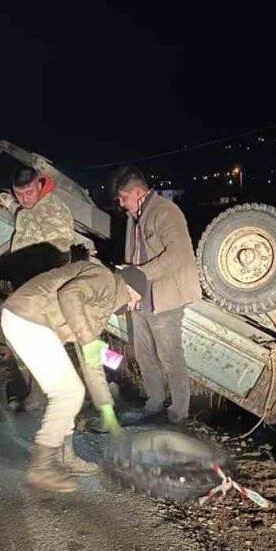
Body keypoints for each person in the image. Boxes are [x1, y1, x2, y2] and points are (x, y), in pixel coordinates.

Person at [0, 260, 147, 492]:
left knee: (70, 390)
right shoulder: (105, 279)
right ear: (131, 289)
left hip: (27, 320)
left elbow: (91, 358)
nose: (134, 307)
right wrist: (88, 341)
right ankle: (41, 466)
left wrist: (105, 407)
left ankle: (64, 456)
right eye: (138, 300)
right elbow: (70, 295)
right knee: (69, 392)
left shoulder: (101, 307)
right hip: (29, 318)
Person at [114, 166, 201, 424]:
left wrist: (138, 274)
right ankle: (154, 403)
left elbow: (179, 255)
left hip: (165, 299)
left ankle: (178, 412)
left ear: (138, 193)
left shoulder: (166, 212)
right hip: (141, 299)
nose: (121, 204)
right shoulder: (134, 217)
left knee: (170, 356)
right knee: (144, 355)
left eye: (123, 197)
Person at [9, 166, 75, 255]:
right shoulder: (35, 205)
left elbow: (61, 252)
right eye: (18, 194)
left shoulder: (50, 210)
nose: (24, 199)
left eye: (29, 192)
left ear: (39, 186)